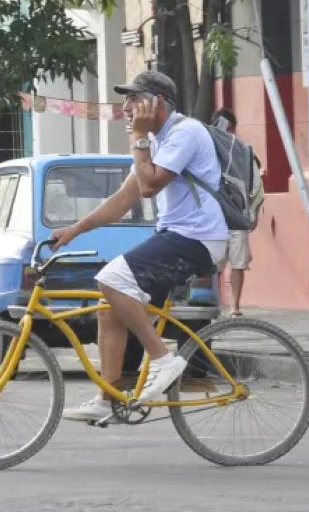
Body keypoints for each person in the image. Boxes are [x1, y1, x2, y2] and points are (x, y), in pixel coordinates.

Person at [50, 71, 229, 422]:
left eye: (134, 99)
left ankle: (165, 361)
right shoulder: (158, 140)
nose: (126, 107)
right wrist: (75, 229)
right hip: (175, 236)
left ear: (157, 103)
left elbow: (149, 187)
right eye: (126, 100)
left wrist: (138, 138)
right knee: (108, 308)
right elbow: (123, 199)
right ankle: (109, 398)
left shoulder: (184, 133)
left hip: (197, 239)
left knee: (110, 278)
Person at [210, 108, 251, 317]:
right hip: (220, 216)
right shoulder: (211, 149)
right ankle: (221, 304)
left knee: (236, 263)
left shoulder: (240, 150)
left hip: (233, 215)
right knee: (217, 265)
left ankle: (233, 306)